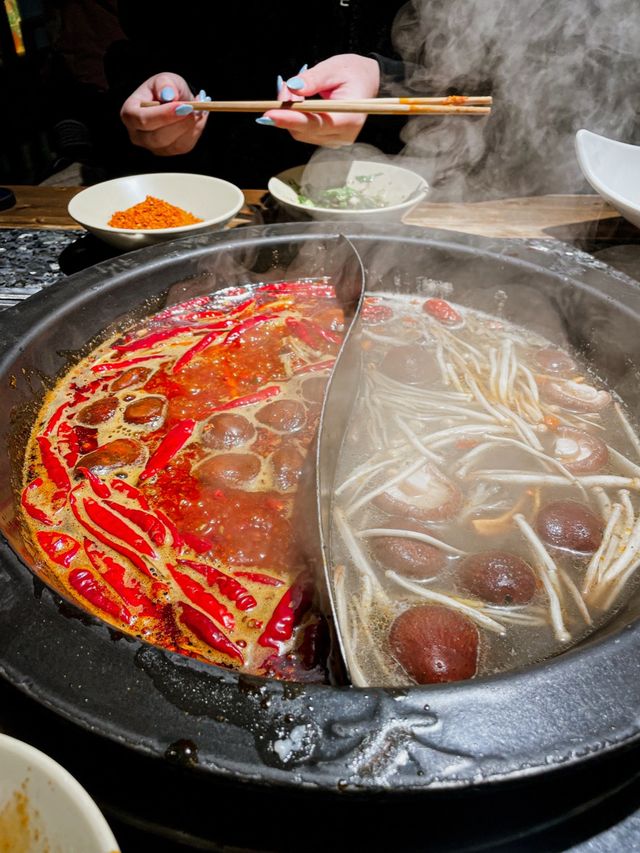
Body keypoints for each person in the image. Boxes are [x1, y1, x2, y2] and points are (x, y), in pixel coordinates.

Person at [104, 1, 409, 185]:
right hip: (218, 188)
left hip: (411, 182)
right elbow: (147, 41)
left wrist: (385, 77)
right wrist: (159, 98)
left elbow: (454, 83)